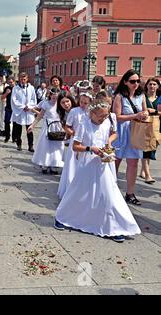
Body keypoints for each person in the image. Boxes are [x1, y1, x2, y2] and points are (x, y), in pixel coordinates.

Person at [55, 101, 141, 243]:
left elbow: (115, 134)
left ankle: (115, 227)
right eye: (101, 115)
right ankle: (62, 216)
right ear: (92, 114)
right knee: (78, 192)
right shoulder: (83, 124)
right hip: (87, 164)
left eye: (106, 115)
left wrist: (108, 142)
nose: (104, 118)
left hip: (103, 164)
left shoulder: (106, 123)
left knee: (109, 194)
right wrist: (91, 149)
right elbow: (76, 147)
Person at [112, 69, 148, 206]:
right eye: (133, 81)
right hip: (121, 132)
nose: (136, 84)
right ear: (125, 82)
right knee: (115, 161)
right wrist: (135, 116)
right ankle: (111, 189)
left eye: (138, 81)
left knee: (133, 164)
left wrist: (144, 115)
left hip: (135, 132)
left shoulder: (141, 96)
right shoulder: (119, 96)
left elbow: (144, 111)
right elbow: (117, 117)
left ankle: (130, 193)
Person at [28, 87, 64, 174]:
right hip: (48, 126)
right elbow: (40, 116)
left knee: (56, 146)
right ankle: (45, 164)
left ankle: (54, 165)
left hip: (58, 126)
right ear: (50, 95)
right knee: (46, 146)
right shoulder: (46, 104)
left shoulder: (60, 104)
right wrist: (32, 125)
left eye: (57, 97)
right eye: (53, 97)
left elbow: (64, 116)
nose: (55, 99)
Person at [57, 94, 86, 199]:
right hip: (75, 140)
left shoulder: (90, 111)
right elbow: (66, 126)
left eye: (67, 101)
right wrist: (73, 134)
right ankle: (70, 189)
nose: (65, 104)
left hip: (86, 141)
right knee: (72, 165)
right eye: (63, 102)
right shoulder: (74, 112)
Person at [140, 78, 161, 184]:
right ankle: (147, 174)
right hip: (144, 126)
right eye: (150, 84)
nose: (152, 86)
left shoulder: (160, 98)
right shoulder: (142, 97)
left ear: (157, 86)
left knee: (152, 149)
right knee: (146, 150)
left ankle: (143, 170)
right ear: (147, 86)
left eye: (154, 84)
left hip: (157, 127)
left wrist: (155, 111)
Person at [11, 72, 38, 152]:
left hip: (28, 111)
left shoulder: (31, 88)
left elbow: (34, 99)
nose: (23, 81)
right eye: (21, 79)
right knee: (18, 129)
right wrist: (22, 107)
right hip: (19, 111)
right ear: (19, 79)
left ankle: (30, 145)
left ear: (27, 79)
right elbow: (14, 100)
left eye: (24, 79)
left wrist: (29, 106)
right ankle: (19, 144)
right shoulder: (15, 88)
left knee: (29, 129)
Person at [2, 76, 15, 143]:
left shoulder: (17, 88)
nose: (10, 84)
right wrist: (6, 93)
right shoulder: (7, 88)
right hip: (8, 108)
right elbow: (2, 98)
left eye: (11, 82)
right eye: (9, 82)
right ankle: (7, 137)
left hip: (16, 109)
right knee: (7, 123)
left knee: (16, 124)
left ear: (14, 81)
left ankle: (14, 138)